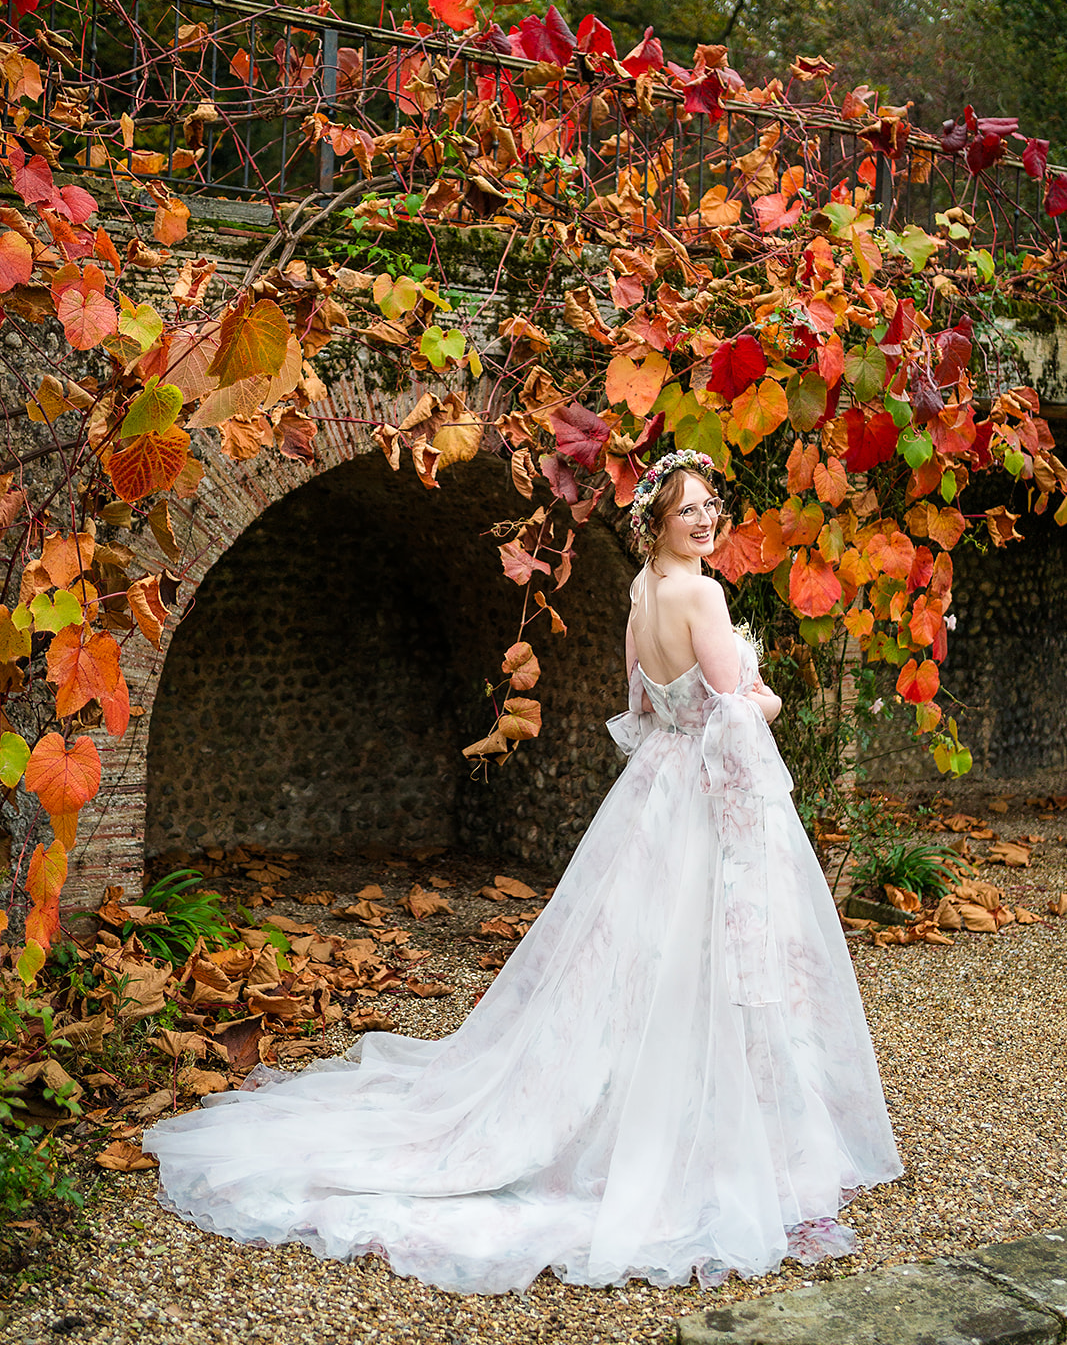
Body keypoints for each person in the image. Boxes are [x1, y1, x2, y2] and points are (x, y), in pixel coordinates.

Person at [144, 448, 901, 1294]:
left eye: (710, 504)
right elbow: (731, 714)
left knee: (636, 954)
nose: (705, 517)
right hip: (697, 796)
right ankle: (693, 1134)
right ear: (657, 520)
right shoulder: (701, 592)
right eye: (688, 507)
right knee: (702, 954)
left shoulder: (640, 595)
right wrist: (765, 692)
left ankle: (635, 1104)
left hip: (654, 791)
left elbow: (639, 705)